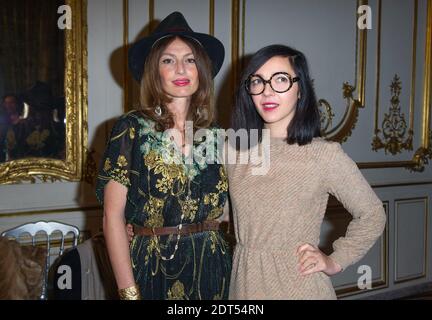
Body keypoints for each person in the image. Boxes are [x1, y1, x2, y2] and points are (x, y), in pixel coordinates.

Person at [228, 44, 386, 299]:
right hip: (243, 284)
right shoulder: (234, 150)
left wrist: (335, 261)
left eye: (281, 79)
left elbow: (372, 214)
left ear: (301, 90)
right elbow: (232, 211)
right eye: (258, 81)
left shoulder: (324, 155)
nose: (267, 91)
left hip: (298, 286)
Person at [95, 12, 231, 300]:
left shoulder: (218, 135)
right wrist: (128, 292)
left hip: (212, 267)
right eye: (168, 60)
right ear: (154, 71)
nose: (181, 69)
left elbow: (233, 208)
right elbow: (112, 217)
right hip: (152, 267)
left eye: (190, 59)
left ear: (201, 71)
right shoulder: (130, 128)